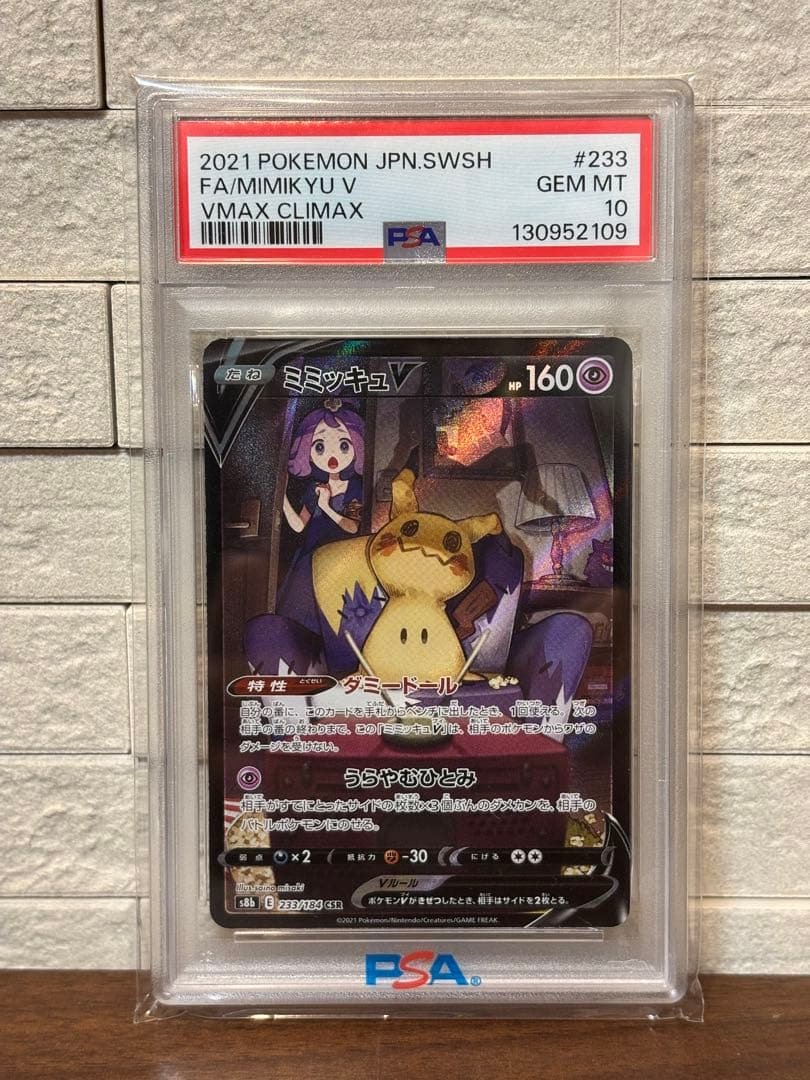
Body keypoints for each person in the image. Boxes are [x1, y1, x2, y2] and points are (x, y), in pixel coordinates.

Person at [276, 399, 365, 629]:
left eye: (343, 445)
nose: (332, 455)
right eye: (319, 447)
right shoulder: (313, 488)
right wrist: (281, 497)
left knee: (333, 618)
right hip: (310, 561)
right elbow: (299, 526)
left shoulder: (355, 487)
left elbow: (353, 527)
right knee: (301, 617)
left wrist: (326, 506)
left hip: (340, 562)